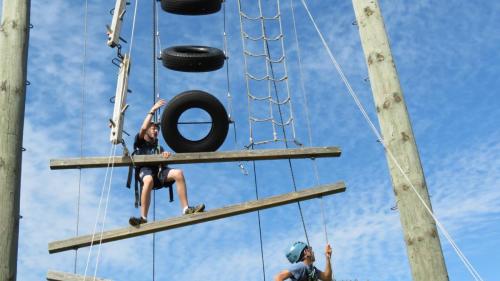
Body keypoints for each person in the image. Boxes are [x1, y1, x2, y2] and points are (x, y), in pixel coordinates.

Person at [129, 99, 205, 226]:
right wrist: (152, 110)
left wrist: (164, 156)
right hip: (145, 171)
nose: (156, 131)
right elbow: (143, 127)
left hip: (158, 174)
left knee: (178, 173)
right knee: (148, 180)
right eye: (153, 128)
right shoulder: (140, 141)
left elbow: (164, 164)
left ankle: (186, 209)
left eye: (157, 129)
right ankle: (143, 217)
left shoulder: (159, 148)